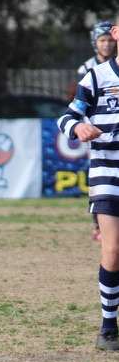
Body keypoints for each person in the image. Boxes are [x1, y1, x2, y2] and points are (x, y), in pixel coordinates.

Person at [57, 13, 119, 350]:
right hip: (107, 174)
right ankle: (108, 327)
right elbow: (67, 116)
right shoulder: (96, 76)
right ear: (115, 33)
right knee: (113, 249)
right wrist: (78, 126)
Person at [76, 21, 117, 242]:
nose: (107, 44)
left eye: (109, 40)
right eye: (102, 40)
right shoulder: (88, 69)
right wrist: (84, 126)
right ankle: (98, 224)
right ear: (95, 43)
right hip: (94, 132)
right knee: (100, 176)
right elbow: (80, 103)